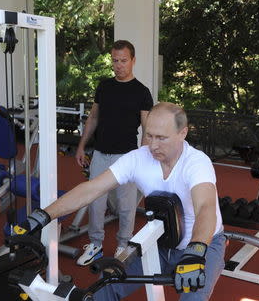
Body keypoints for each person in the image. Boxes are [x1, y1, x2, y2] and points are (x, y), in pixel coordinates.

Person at [18, 102, 226, 300]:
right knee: (107, 282)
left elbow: (205, 207)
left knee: (194, 295)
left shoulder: (196, 162)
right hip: (160, 242)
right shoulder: (138, 158)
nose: (152, 145)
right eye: (149, 135)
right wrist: (44, 214)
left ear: (183, 133)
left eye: (161, 138)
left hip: (203, 244)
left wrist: (196, 250)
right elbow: (92, 189)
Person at [74, 40, 154, 265]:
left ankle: (122, 245)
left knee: (126, 206)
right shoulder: (104, 87)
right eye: (115, 61)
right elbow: (94, 118)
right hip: (100, 153)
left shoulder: (142, 92)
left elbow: (147, 128)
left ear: (133, 61)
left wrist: (144, 156)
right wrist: (82, 145)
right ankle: (96, 245)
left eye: (123, 61)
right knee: (95, 201)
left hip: (127, 157)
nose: (119, 65)